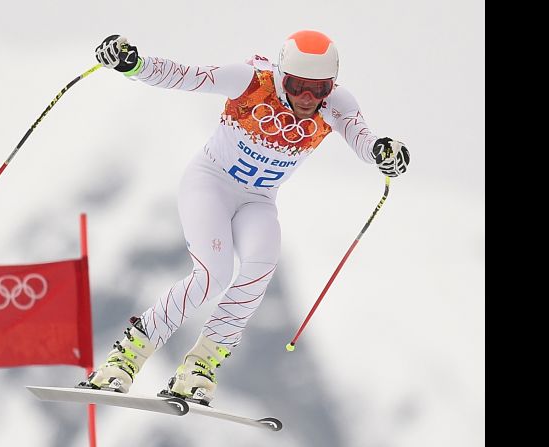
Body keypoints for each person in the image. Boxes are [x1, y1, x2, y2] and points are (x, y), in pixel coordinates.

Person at [79, 30, 410, 405]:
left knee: (261, 266)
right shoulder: (251, 81)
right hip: (211, 185)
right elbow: (184, 76)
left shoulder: (338, 103)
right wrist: (133, 65)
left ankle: (200, 366)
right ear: (282, 75)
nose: (307, 98)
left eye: (319, 89)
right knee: (213, 274)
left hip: (259, 200)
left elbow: (364, 140)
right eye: (298, 85)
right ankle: (123, 360)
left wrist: (384, 152)